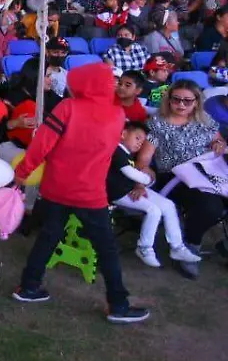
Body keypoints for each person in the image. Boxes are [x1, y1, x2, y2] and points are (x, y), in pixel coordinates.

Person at [12, 63, 150, 323]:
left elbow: (42, 143)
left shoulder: (67, 108)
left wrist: (23, 171)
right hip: (90, 193)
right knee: (107, 248)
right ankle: (118, 305)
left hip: (56, 187)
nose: (114, 84)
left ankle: (29, 286)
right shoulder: (117, 115)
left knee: (47, 238)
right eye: (110, 80)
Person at [135, 80, 224, 279]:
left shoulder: (205, 120)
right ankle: (189, 246)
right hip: (174, 177)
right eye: (176, 100)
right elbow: (144, 158)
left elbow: (217, 140)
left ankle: (220, 240)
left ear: (196, 102)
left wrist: (218, 142)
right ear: (169, 100)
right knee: (210, 206)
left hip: (206, 172)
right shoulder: (158, 124)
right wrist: (145, 170)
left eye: (187, 101)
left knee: (215, 202)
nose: (181, 105)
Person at [107, 121, 201, 268]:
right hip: (118, 193)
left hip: (130, 189)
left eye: (142, 141)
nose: (140, 144)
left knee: (169, 205)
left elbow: (136, 176)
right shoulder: (117, 152)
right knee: (153, 210)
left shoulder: (128, 154)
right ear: (123, 134)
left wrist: (144, 182)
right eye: (137, 138)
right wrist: (147, 179)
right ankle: (144, 247)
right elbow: (131, 173)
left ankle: (177, 247)